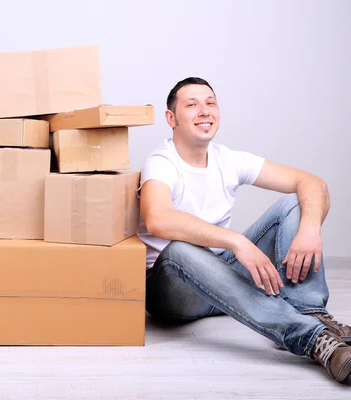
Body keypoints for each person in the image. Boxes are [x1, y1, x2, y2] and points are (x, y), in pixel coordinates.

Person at [139, 77, 351, 382]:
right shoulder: (161, 162)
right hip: (173, 292)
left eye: (211, 102)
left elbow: (312, 183)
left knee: (296, 203)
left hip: (221, 277)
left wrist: (310, 230)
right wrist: (236, 241)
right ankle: (313, 339)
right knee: (180, 249)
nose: (205, 111)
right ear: (171, 118)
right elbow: (158, 219)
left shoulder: (229, 159)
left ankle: (310, 314)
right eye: (192, 104)